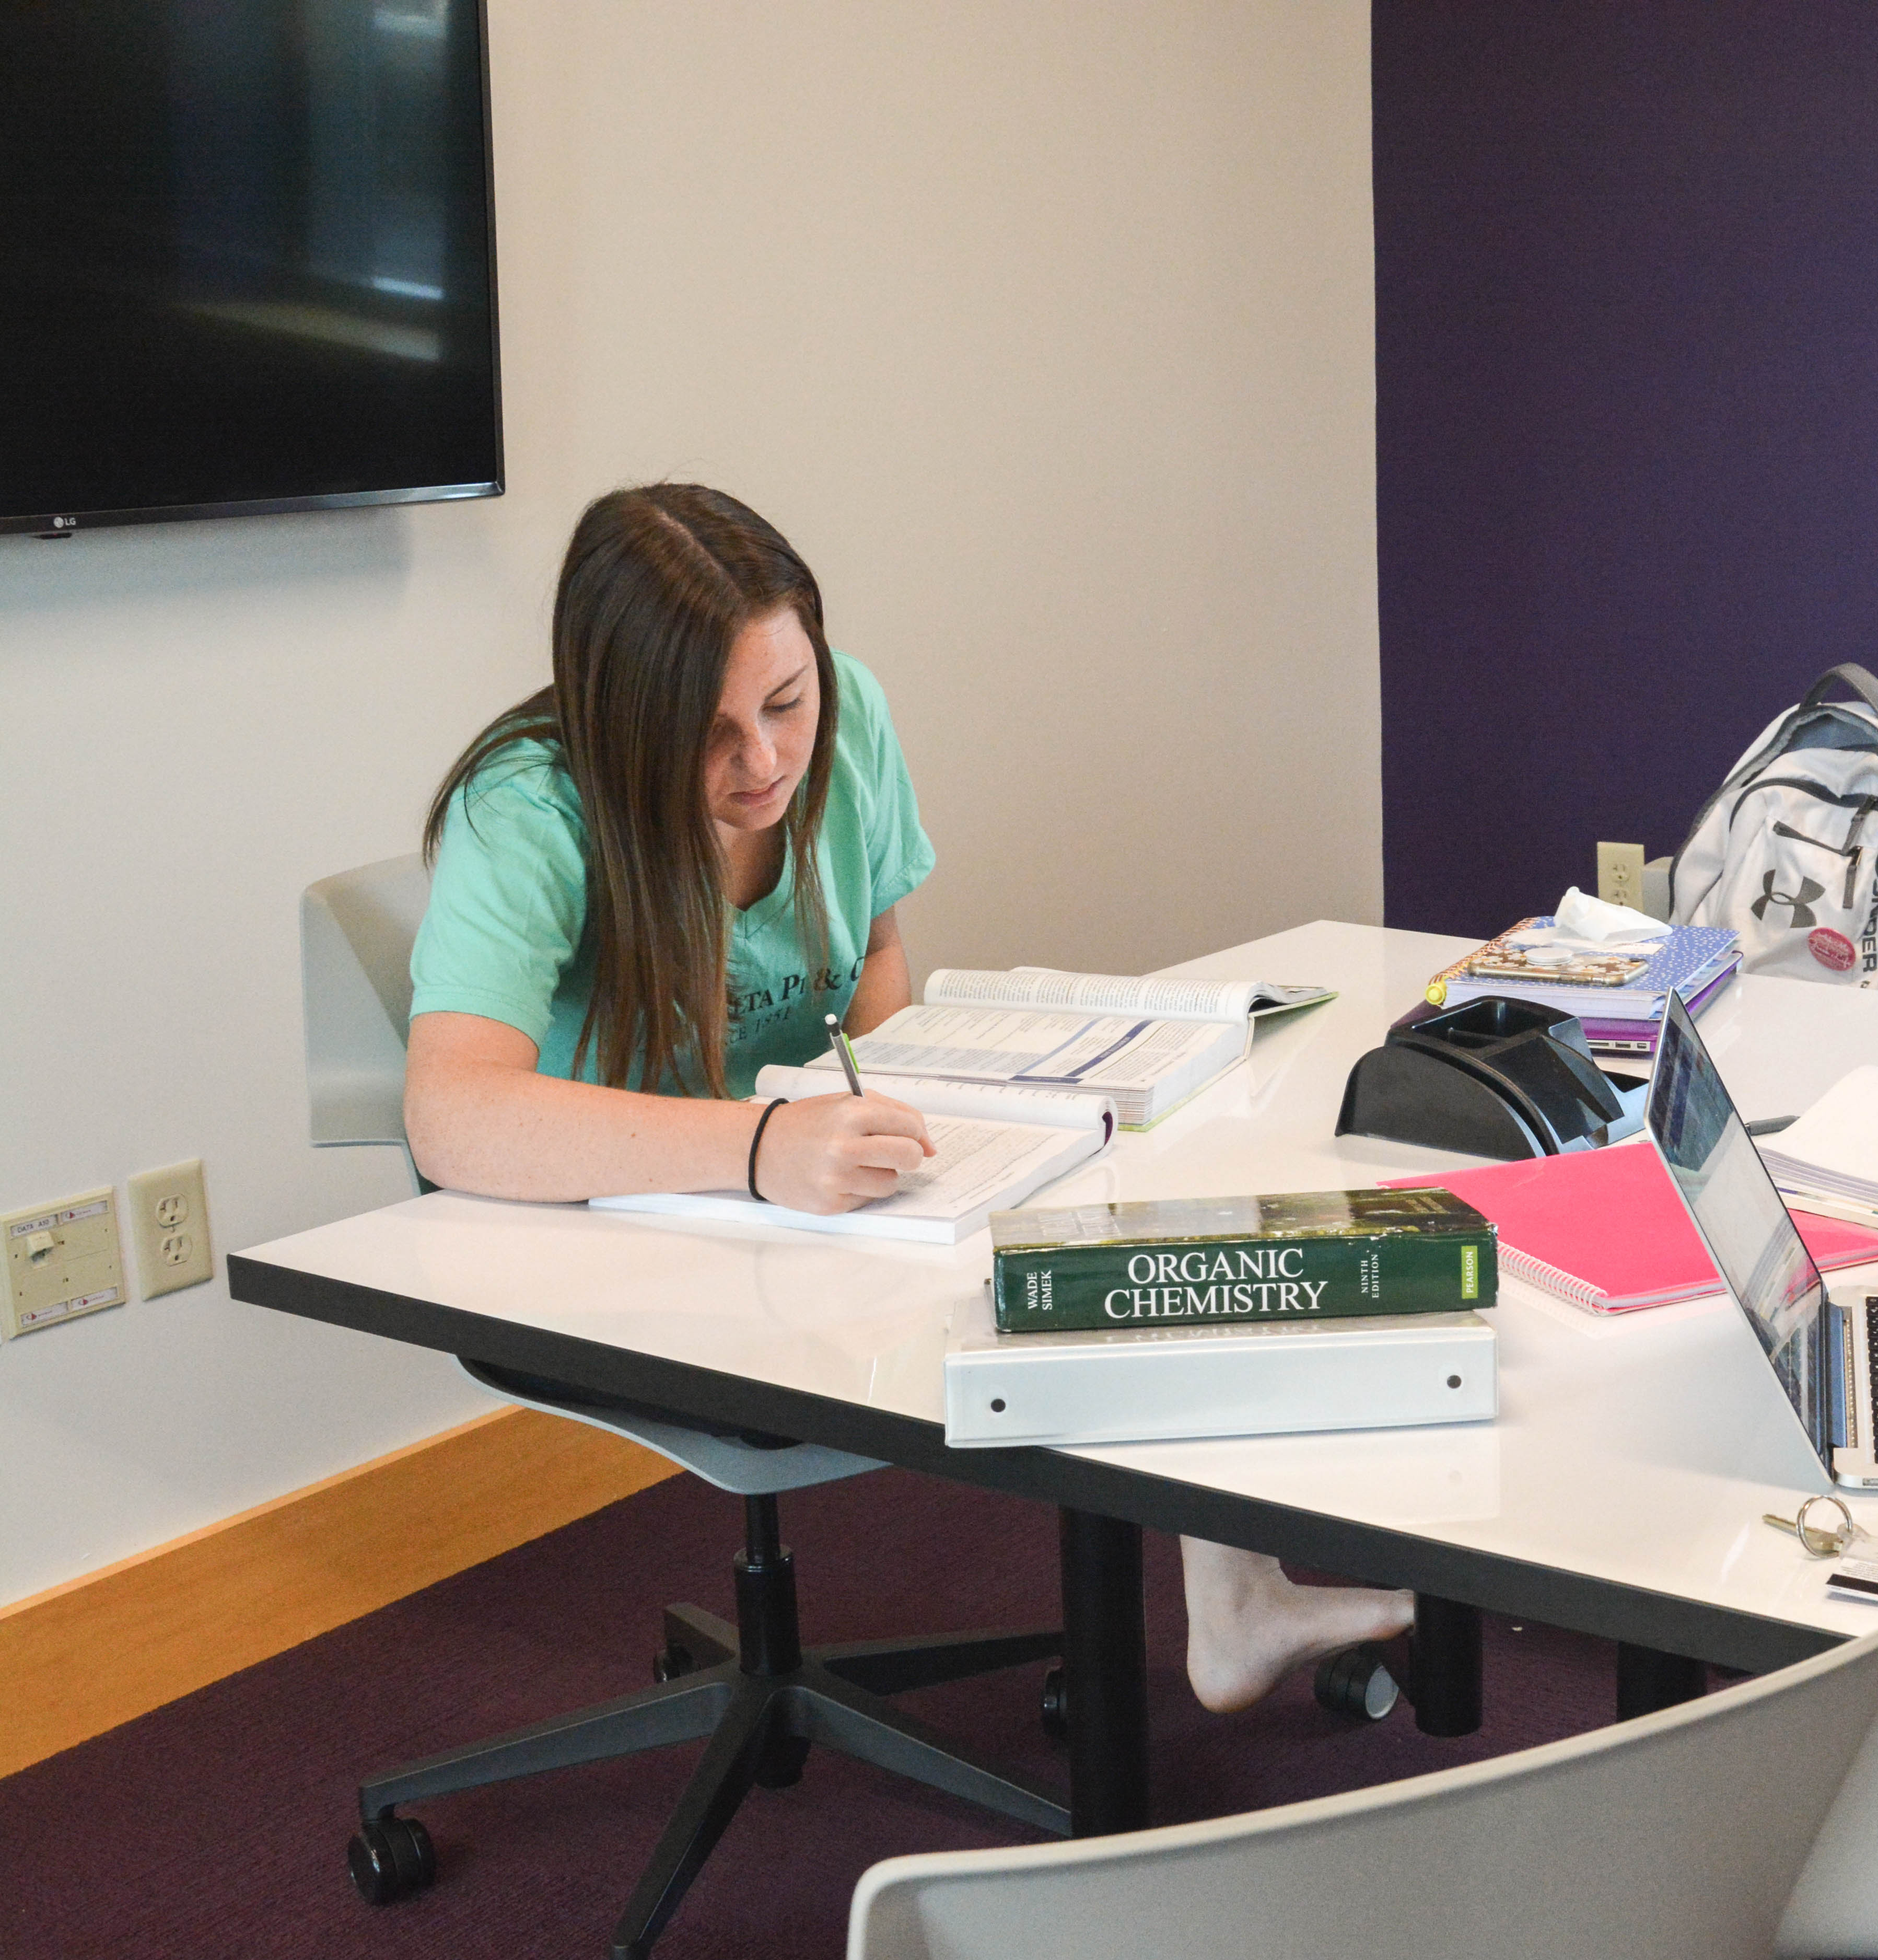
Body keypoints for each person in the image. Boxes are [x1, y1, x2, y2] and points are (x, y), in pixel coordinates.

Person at [405, 482, 1407, 1714]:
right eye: (709, 733)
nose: (766, 761)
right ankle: (1224, 1615)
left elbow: (877, 963)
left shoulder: (854, 715)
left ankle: (1235, 1591)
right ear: (620, 726)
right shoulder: (525, 810)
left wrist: (944, 1112)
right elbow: (451, 1112)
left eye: (786, 703)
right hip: (627, 1235)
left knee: (1139, 1194)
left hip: (805, 1185)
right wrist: (766, 1145)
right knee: (1072, 1285)